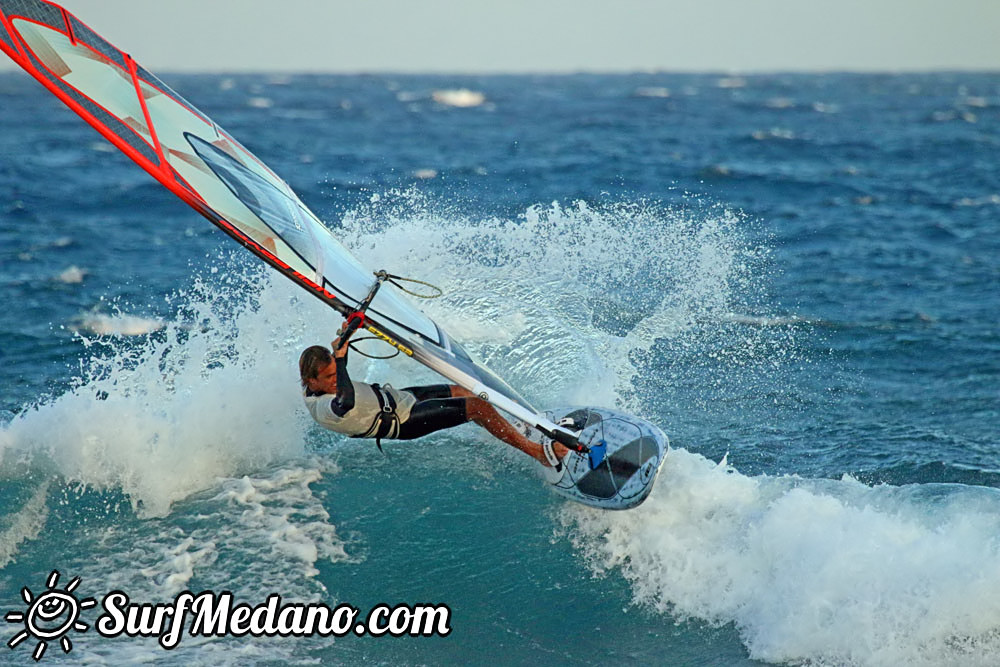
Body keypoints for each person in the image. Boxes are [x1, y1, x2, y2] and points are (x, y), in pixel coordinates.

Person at [299, 329, 569, 467]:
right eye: (329, 378)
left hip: (398, 398)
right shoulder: (321, 407)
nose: (335, 380)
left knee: (466, 387)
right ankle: (537, 453)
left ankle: (516, 426)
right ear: (312, 381)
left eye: (336, 373)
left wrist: (348, 330)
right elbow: (345, 402)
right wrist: (342, 361)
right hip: (402, 421)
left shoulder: (321, 382)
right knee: (477, 406)